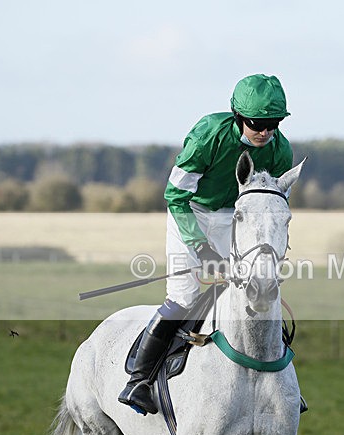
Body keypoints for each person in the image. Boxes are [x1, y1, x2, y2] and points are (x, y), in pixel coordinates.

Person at [119, 74, 294, 414]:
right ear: (238, 116)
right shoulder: (207, 136)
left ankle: (280, 384)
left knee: (251, 293)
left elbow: (270, 205)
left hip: (234, 218)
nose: (265, 132)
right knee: (184, 297)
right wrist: (200, 247)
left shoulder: (280, 150)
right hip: (191, 213)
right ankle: (138, 380)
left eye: (273, 124)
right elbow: (175, 196)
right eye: (258, 123)